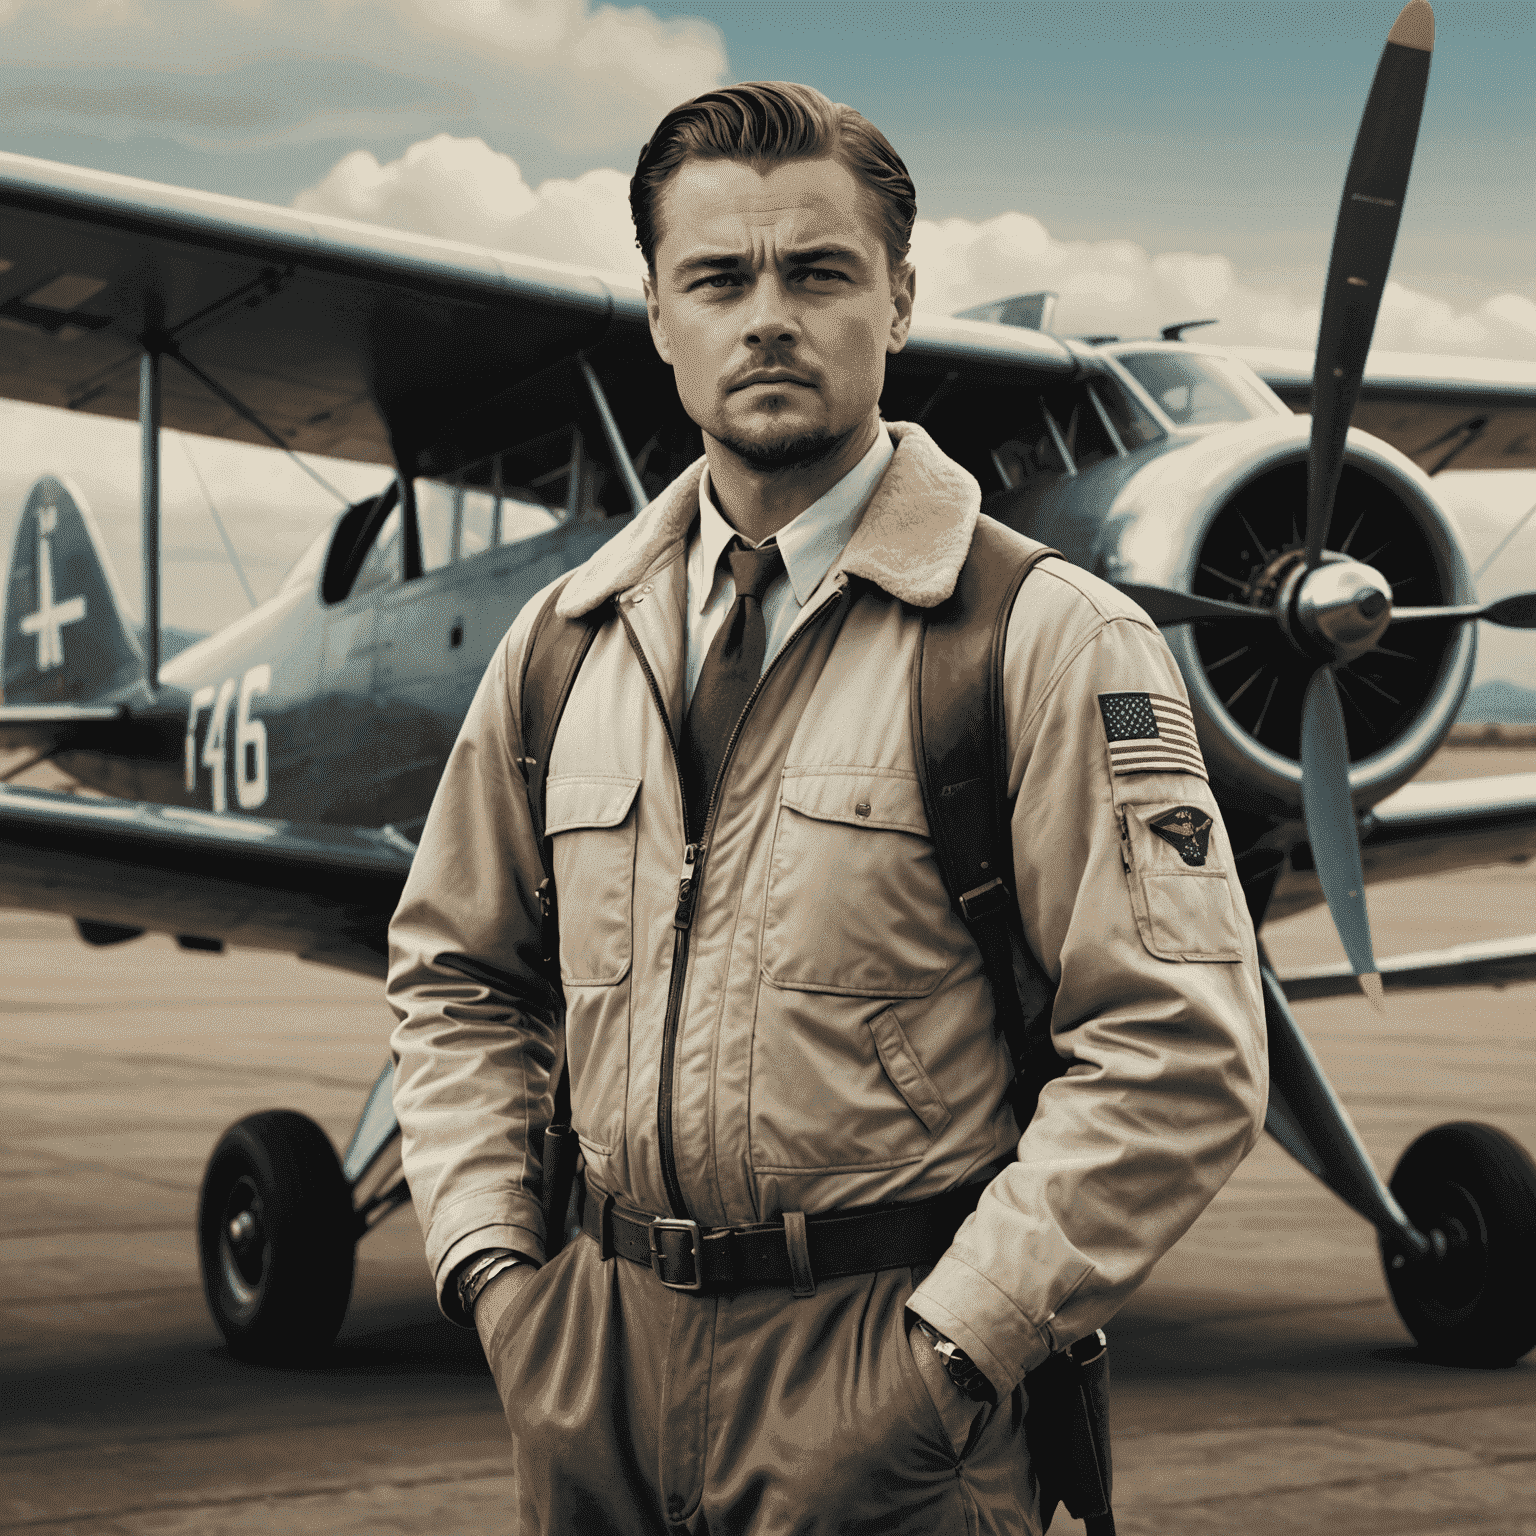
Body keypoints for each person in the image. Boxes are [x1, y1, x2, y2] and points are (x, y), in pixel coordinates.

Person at [388, 80, 1267, 1535]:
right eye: (718, 279)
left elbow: (1179, 1051)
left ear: (901, 299)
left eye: (819, 271)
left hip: (884, 1376)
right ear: (660, 315)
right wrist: (496, 1276)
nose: (768, 317)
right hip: (589, 1364)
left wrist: (954, 1350)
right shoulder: (562, 644)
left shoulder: (1049, 638)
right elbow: (456, 977)